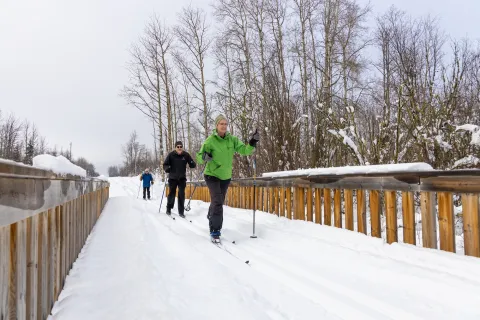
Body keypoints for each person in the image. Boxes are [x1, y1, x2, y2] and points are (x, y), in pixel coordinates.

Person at [196, 114, 260, 240]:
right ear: (216, 125)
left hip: (225, 176)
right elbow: (199, 157)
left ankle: (211, 214)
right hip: (212, 175)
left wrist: (252, 142)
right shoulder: (210, 141)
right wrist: (204, 157)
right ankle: (215, 230)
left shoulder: (232, 140)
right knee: (218, 202)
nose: (224, 126)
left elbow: (244, 150)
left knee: (218, 201)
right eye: (221, 124)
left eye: (225, 124)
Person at [163, 141, 196, 217]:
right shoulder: (171, 155)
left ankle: (181, 212)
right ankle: (169, 209)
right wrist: (167, 168)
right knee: (172, 194)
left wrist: (192, 164)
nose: (179, 148)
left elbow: (192, 163)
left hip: (182, 178)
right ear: (175, 147)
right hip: (172, 178)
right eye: (178, 147)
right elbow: (165, 164)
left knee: (181, 194)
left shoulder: (186, 155)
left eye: (181, 146)